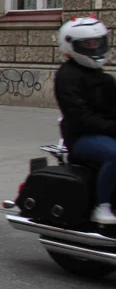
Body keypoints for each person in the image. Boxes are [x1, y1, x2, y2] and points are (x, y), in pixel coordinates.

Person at [54, 17, 116, 224]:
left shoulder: (101, 77)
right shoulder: (67, 77)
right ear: (71, 45)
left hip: (105, 132)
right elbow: (80, 116)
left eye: (97, 43)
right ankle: (103, 206)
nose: (94, 47)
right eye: (88, 44)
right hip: (82, 138)